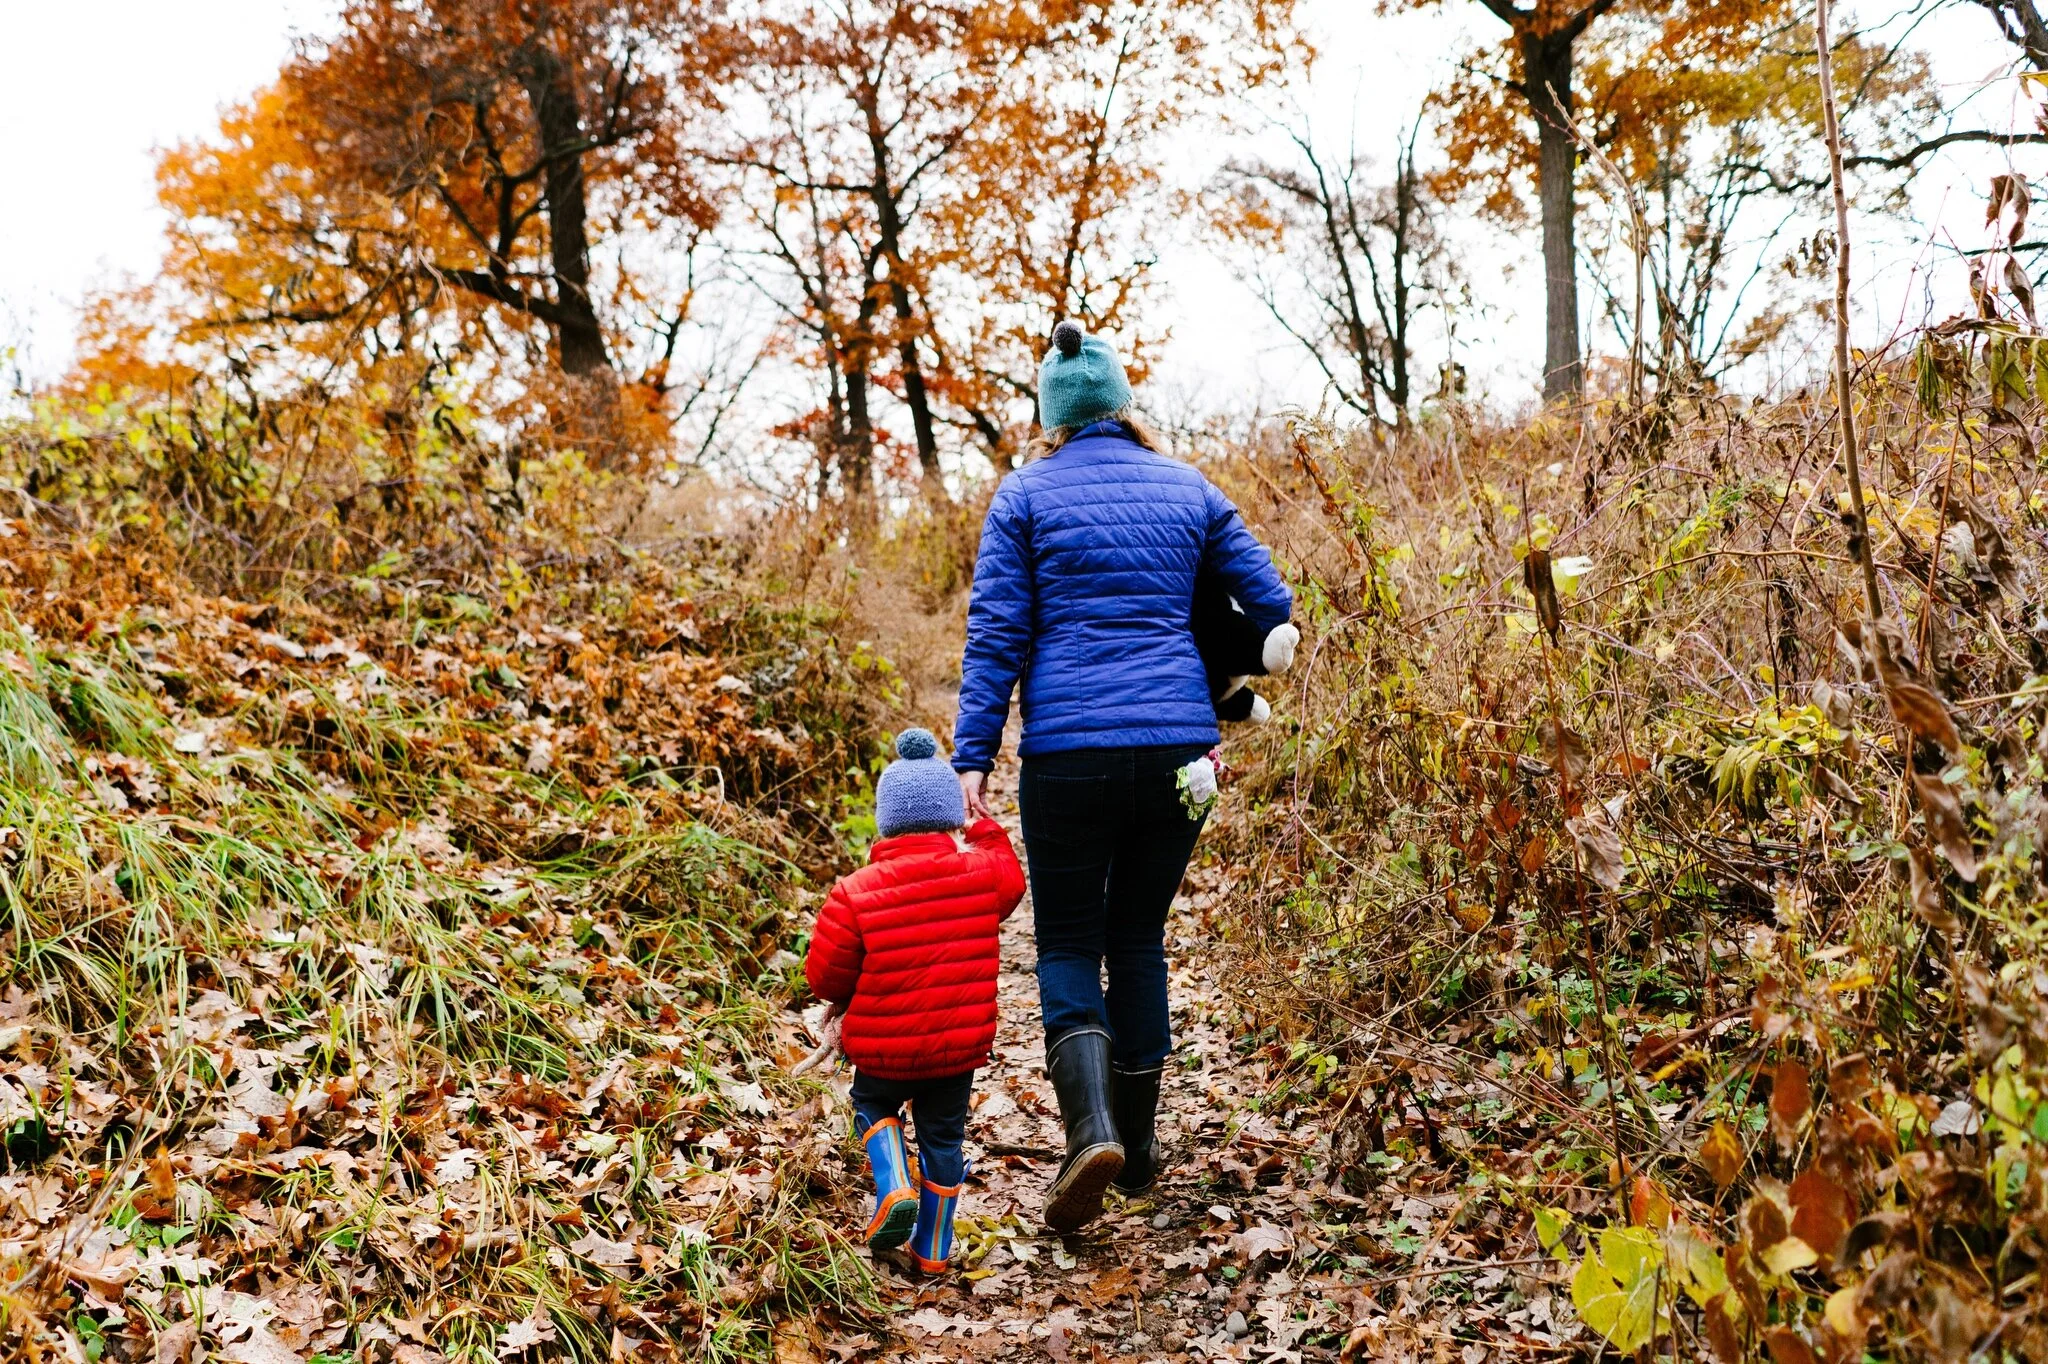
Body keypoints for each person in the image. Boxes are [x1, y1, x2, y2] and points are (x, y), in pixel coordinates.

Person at [951, 321, 1294, 1234]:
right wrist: (1203, 643)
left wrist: (973, 756)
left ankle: (1090, 1132)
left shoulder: (1022, 496)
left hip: (1067, 752)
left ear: (1051, 414)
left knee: (1067, 942)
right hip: (1182, 752)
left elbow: (997, 634)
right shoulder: (1190, 488)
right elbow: (1270, 606)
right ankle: (1137, 1152)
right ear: (1124, 398)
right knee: (1138, 934)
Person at [805, 729, 1027, 1272]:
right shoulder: (980, 874)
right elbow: (1013, 880)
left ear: (886, 819)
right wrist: (980, 822)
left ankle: (893, 1182)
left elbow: (825, 979)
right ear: (951, 815)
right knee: (944, 1138)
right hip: (956, 1049)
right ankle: (932, 1249)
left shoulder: (856, 890)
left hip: (884, 1050)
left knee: (872, 1106)